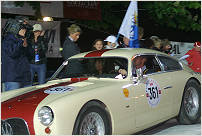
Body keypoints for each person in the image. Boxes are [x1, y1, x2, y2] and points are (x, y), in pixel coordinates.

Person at [1, 25, 31, 91]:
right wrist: (21, 41)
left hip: (23, 76)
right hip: (12, 78)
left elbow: (29, 56)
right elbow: (13, 53)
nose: (24, 32)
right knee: (11, 99)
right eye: (23, 29)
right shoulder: (8, 40)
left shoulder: (20, 40)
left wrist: (25, 46)